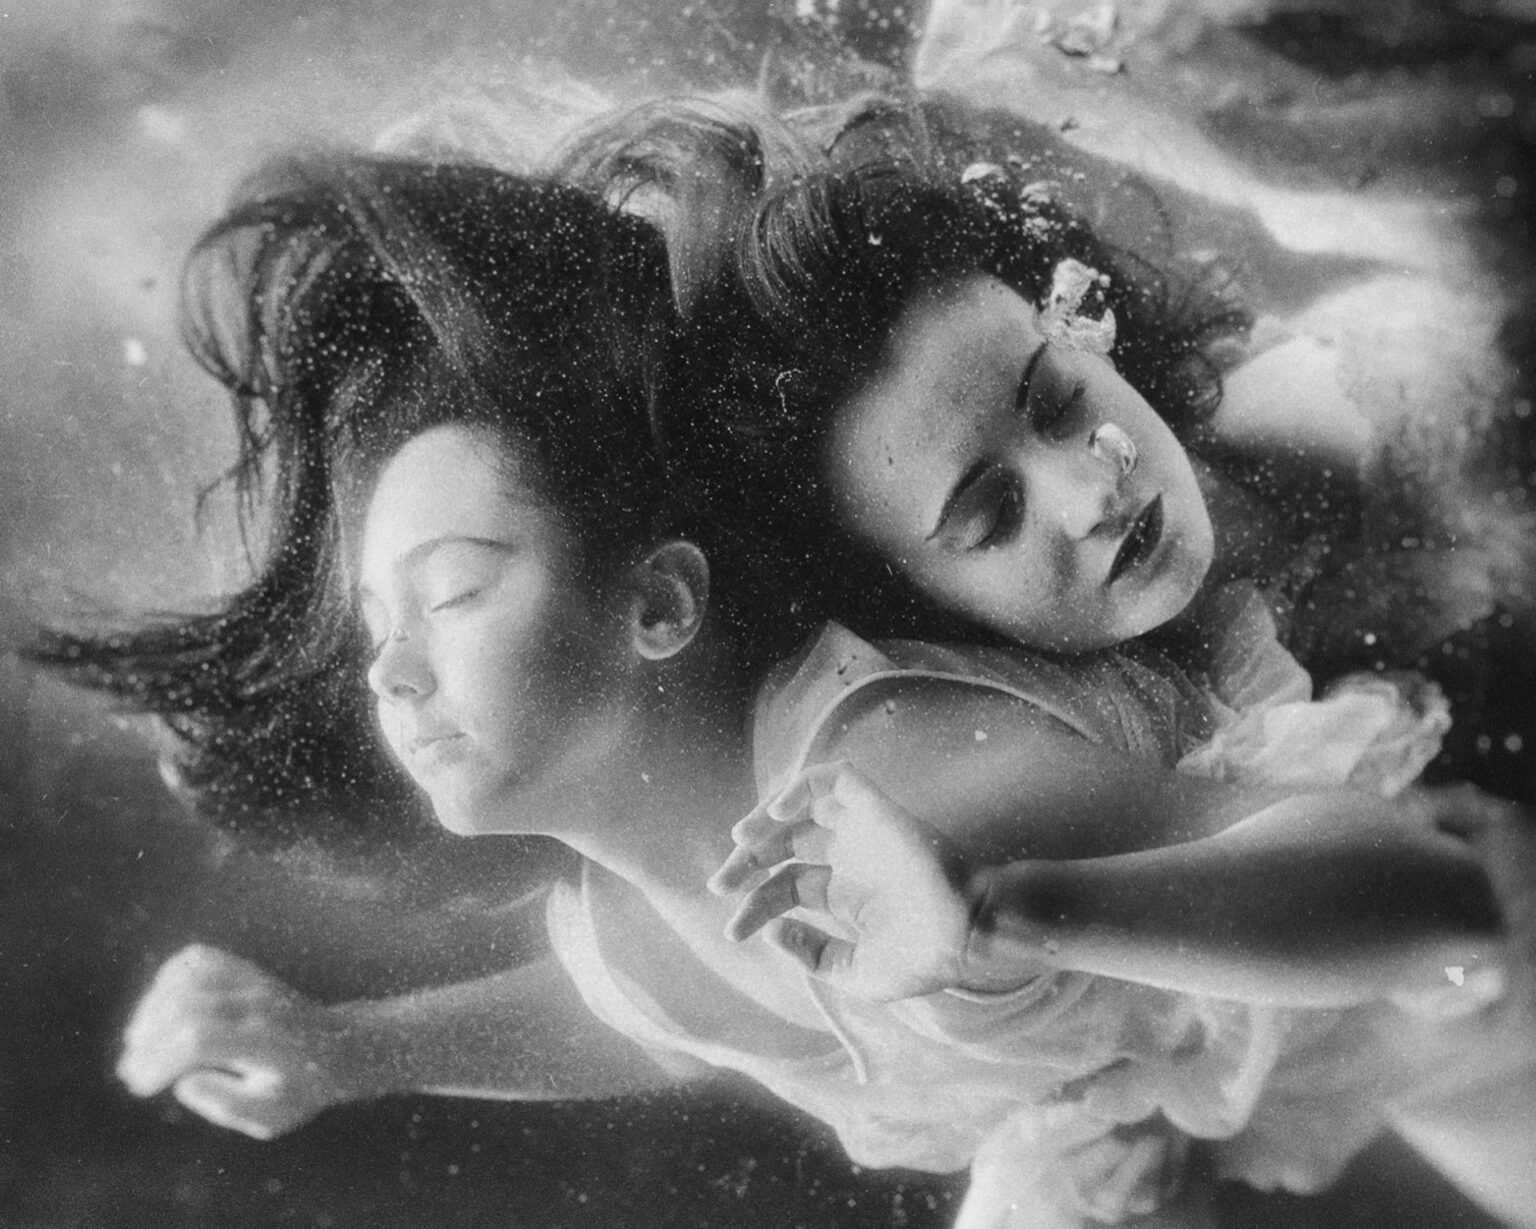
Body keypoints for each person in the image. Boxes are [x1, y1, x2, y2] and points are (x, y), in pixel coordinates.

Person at [39, 144, 1505, 1229]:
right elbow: (634, 1013)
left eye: (455, 593)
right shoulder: (637, 903)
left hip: (1476, 988)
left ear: (660, 605)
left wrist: (997, 911)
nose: (395, 668)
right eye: (377, 629)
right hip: (1319, 1070)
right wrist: (346, 1049)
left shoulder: (911, 777)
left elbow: (1439, 900)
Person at [588, 100, 1532, 1223]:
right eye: (990, 518)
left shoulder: (1363, 408)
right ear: (914, 604)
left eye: (1059, 398)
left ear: (1080, 324)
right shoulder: (1059, 736)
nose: (1092, 491)